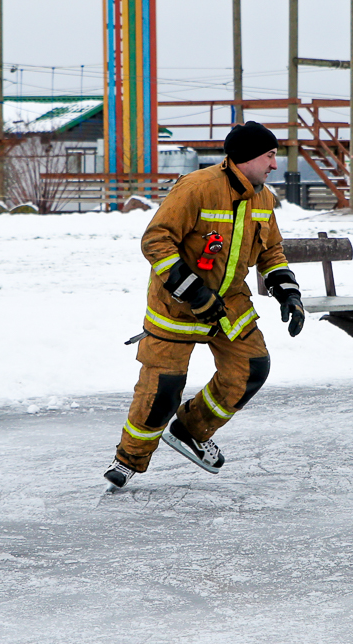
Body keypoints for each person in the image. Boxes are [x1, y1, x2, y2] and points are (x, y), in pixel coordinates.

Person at [104, 121, 305, 491]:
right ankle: (128, 460)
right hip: (177, 306)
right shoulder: (197, 188)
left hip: (229, 302)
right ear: (246, 158)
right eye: (270, 156)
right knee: (162, 389)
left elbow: (271, 252)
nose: (274, 165)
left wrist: (287, 292)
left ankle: (190, 430)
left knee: (251, 369)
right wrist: (195, 293)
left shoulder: (264, 198)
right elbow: (156, 242)